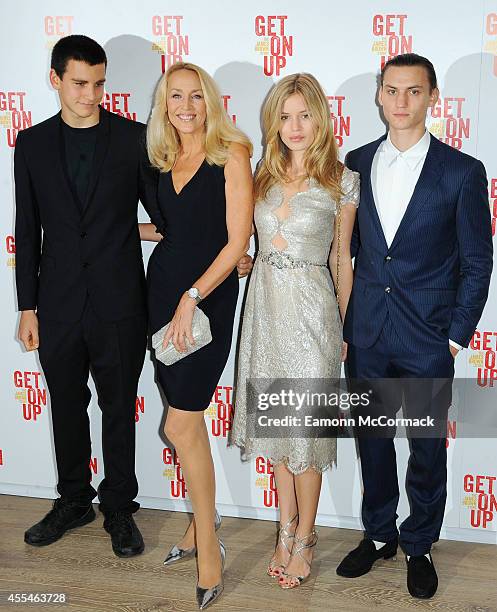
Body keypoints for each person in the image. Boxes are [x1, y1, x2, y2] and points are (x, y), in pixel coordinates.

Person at [336, 54, 493, 599]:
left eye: (414, 91)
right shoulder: (353, 163)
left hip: (429, 338)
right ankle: (378, 534)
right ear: (378, 95)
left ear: (431, 98)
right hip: (368, 334)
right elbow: (345, 252)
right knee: (372, 442)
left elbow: (477, 262)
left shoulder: (462, 171)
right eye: (392, 90)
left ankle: (419, 544)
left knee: (427, 448)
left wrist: (454, 336)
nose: (401, 102)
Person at [15, 35, 154, 557]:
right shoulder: (29, 145)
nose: (91, 95)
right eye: (79, 83)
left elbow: (163, 215)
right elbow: (28, 231)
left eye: (99, 83)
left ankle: (119, 507)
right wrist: (28, 307)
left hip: (120, 299)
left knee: (119, 407)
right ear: (56, 80)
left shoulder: (132, 139)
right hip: (57, 303)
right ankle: (73, 500)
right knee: (67, 405)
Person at [230, 73, 359, 589]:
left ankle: (307, 534)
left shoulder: (341, 180)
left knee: (305, 432)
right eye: (285, 117)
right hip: (264, 311)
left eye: (304, 115)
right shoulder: (260, 174)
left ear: (321, 118)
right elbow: (248, 242)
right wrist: (243, 259)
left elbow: (341, 259)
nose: (294, 126)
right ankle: (284, 527)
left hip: (313, 314)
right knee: (277, 432)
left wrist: (346, 326)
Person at [139, 62, 253, 610]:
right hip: (159, 296)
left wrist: (192, 297)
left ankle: (210, 547)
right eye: (175, 96)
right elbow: (169, 228)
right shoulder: (164, 158)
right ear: (165, 104)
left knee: (180, 422)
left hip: (204, 304)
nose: (186, 106)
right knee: (185, 428)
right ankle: (199, 525)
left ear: (210, 101)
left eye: (195, 96)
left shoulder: (230, 153)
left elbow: (235, 245)